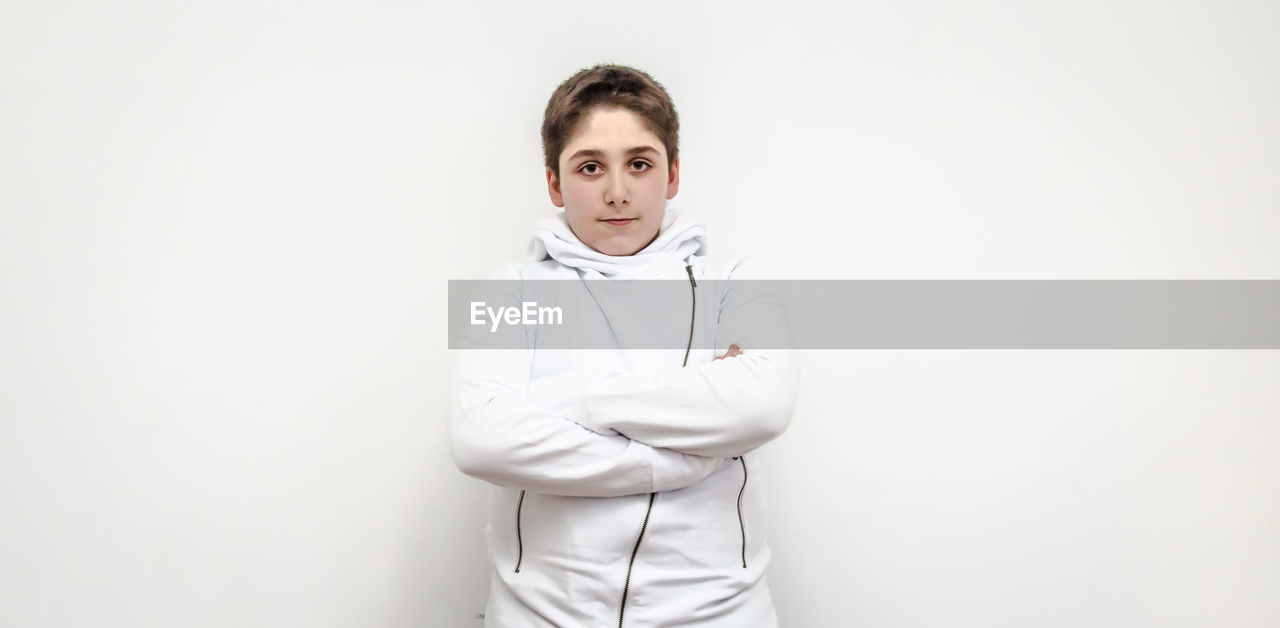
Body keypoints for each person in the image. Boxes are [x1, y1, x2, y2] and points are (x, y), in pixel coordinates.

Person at [448, 63, 801, 628]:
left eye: (639, 164)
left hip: (718, 615)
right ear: (556, 184)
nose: (617, 192)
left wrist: (568, 402)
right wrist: (682, 459)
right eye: (590, 167)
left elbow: (763, 404)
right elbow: (480, 439)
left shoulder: (733, 280)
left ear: (672, 174)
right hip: (540, 617)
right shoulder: (509, 288)